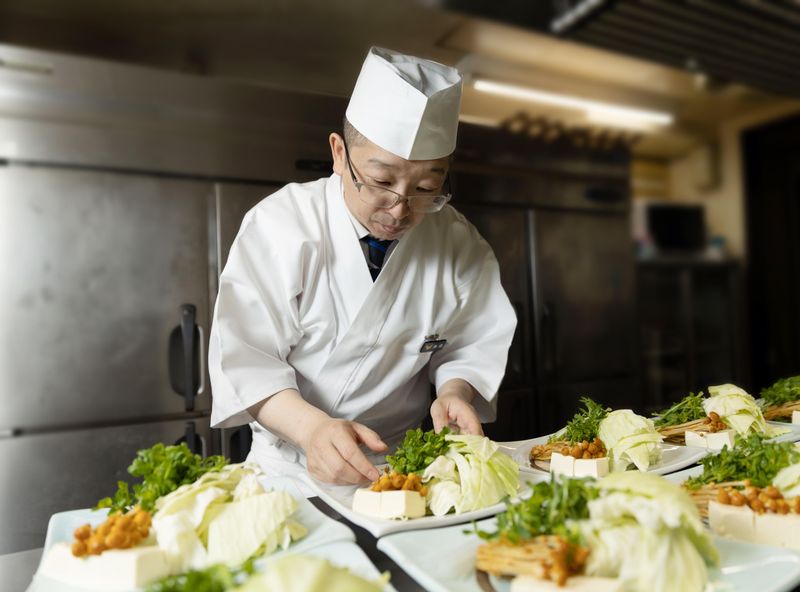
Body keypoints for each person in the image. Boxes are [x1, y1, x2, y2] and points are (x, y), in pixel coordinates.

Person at [209, 46, 516, 486]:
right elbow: (245, 358)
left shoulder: (457, 241)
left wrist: (454, 390)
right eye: (381, 182)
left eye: (427, 187)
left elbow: (471, 345)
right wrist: (312, 430)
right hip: (291, 468)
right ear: (339, 154)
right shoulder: (282, 225)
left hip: (403, 468)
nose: (400, 209)